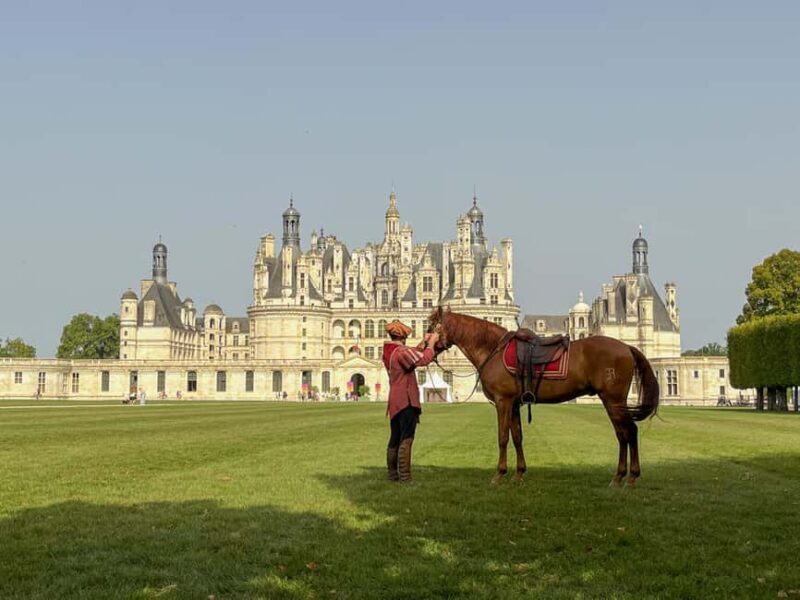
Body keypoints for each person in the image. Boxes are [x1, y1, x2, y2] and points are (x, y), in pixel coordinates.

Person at [382, 319, 439, 483]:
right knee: (407, 438)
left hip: (395, 400)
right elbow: (423, 359)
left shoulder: (390, 351)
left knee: (395, 437)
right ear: (403, 337)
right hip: (405, 399)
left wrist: (423, 341)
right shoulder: (401, 352)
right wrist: (431, 344)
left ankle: (392, 475)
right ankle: (405, 477)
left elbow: (412, 353)